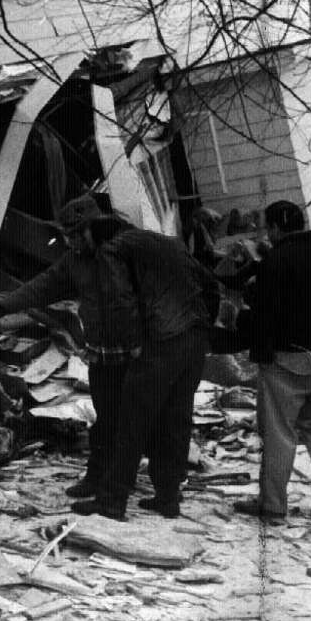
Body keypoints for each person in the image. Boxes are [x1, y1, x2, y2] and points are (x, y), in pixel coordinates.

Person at [0, 194, 129, 501]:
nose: (71, 242)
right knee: (105, 418)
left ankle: (148, 485)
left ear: (95, 228)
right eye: (67, 236)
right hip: (102, 350)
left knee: (138, 416)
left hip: (137, 350)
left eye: (76, 235)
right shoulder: (75, 261)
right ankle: (98, 479)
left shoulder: (127, 254)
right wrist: (2, 308)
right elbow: (43, 286)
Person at [70, 215, 219, 521]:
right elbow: (211, 285)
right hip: (194, 337)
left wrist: (134, 342)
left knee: (131, 421)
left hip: (161, 340)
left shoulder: (111, 250)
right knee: (176, 418)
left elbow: (119, 299)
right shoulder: (169, 243)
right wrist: (204, 326)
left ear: (102, 238)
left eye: (85, 241)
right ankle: (168, 497)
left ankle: (111, 501)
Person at [233, 200, 311, 524]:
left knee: (279, 433)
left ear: (274, 228)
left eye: (267, 229)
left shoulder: (276, 260)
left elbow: (265, 315)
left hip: (287, 361)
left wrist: (257, 348)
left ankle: (272, 505)